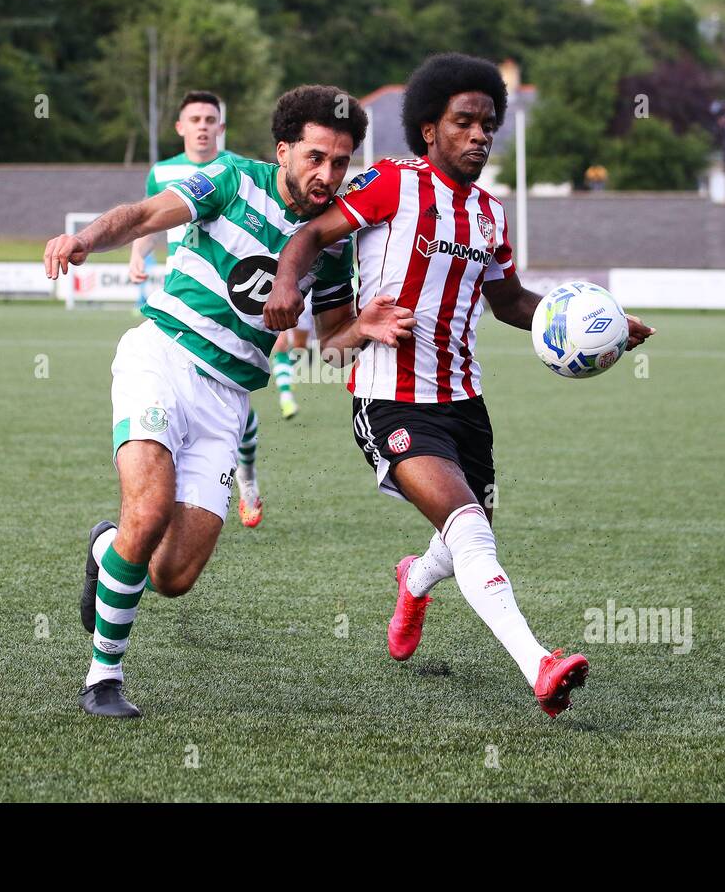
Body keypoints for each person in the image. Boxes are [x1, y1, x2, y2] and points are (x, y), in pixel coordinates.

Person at [264, 54, 655, 717]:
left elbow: (511, 303)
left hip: (464, 403)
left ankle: (413, 581)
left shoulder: (490, 215)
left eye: (488, 125)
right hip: (389, 397)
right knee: (471, 530)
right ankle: (541, 665)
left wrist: (602, 323)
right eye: (464, 121)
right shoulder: (390, 182)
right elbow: (309, 237)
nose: (479, 134)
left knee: (460, 540)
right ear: (429, 129)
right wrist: (283, 284)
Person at [41, 85, 415, 718]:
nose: (327, 174)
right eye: (315, 157)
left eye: (340, 162)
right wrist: (87, 241)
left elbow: (329, 344)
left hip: (227, 401)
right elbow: (143, 215)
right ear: (284, 150)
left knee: (172, 577)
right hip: (161, 356)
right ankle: (104, 677)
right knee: (150, 506)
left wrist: (366, 327)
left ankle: (106, 549)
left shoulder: (334, 241)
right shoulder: (234, 180)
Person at [129, 91, 270, 527]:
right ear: (181, 127)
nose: (204, 125)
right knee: (168, 399)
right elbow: (151, 217)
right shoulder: (163, 172)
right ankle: (167, 496)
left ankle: (244, 477)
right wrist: (138, 254)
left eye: (211, 118)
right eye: (196, 118)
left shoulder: (236, 170)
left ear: (221, 128)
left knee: (233, 402)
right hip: (180, 300)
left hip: (229, 304)